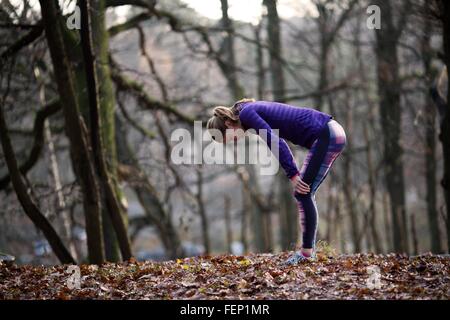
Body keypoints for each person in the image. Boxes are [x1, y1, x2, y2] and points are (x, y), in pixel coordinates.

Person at [207, 99, 347, 264]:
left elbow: (275, 141)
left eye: (231, 139)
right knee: (305, 193)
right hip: (332, 132)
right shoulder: (247, 112)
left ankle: (307, 254)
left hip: (326, 133)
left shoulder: (247, 114)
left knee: (303, 193)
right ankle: (307, 253)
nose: (234, 141)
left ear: (228, 124)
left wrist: (293, 174)